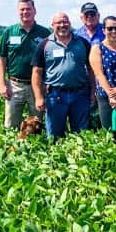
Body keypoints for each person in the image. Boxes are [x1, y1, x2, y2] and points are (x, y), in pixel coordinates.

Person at [31, 12, 92, 142]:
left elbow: (92, 69)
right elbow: (36, 72)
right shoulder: (44, 44)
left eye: (65, 22)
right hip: (55, 95)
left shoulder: (82, 42)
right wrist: (39, 97)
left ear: (70, 24)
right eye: (58, 23)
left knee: (82, 135)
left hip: (80, 94)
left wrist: (93, 93)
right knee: (54, 136)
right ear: (52, 25)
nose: (62, 25)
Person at [0, 0, 51, 130]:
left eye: (28, 9)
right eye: (22, 9)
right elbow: (1, 59)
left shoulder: (44, 33)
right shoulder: (9, 32)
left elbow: (50, 60)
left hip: (37, 87)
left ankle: (36, 148)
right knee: (10, 125)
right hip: (15, 85)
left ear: (35, 11)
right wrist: (2, 84)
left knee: (37, 125)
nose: (25, 12)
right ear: (18, 12)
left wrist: (49, 82)